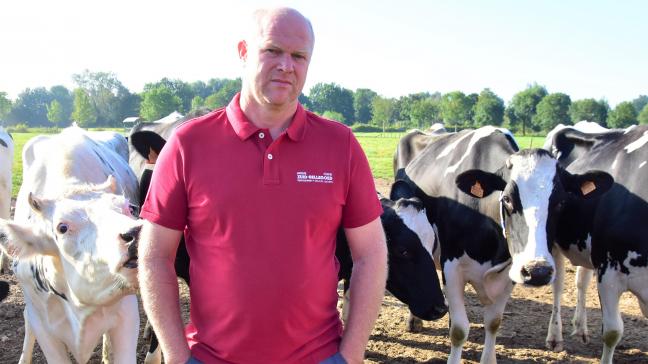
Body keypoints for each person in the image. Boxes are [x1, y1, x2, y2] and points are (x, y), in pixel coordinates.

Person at [138, 7, 387, 364]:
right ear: (243, 51)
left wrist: (351, 354)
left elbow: (371, 253)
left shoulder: (340, 145)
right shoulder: (188, 145)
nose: (287, 65)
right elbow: (155, 256)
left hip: (318, 357)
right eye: (272, 50)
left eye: (299, 56)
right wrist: (178, 356)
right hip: (211, 358)